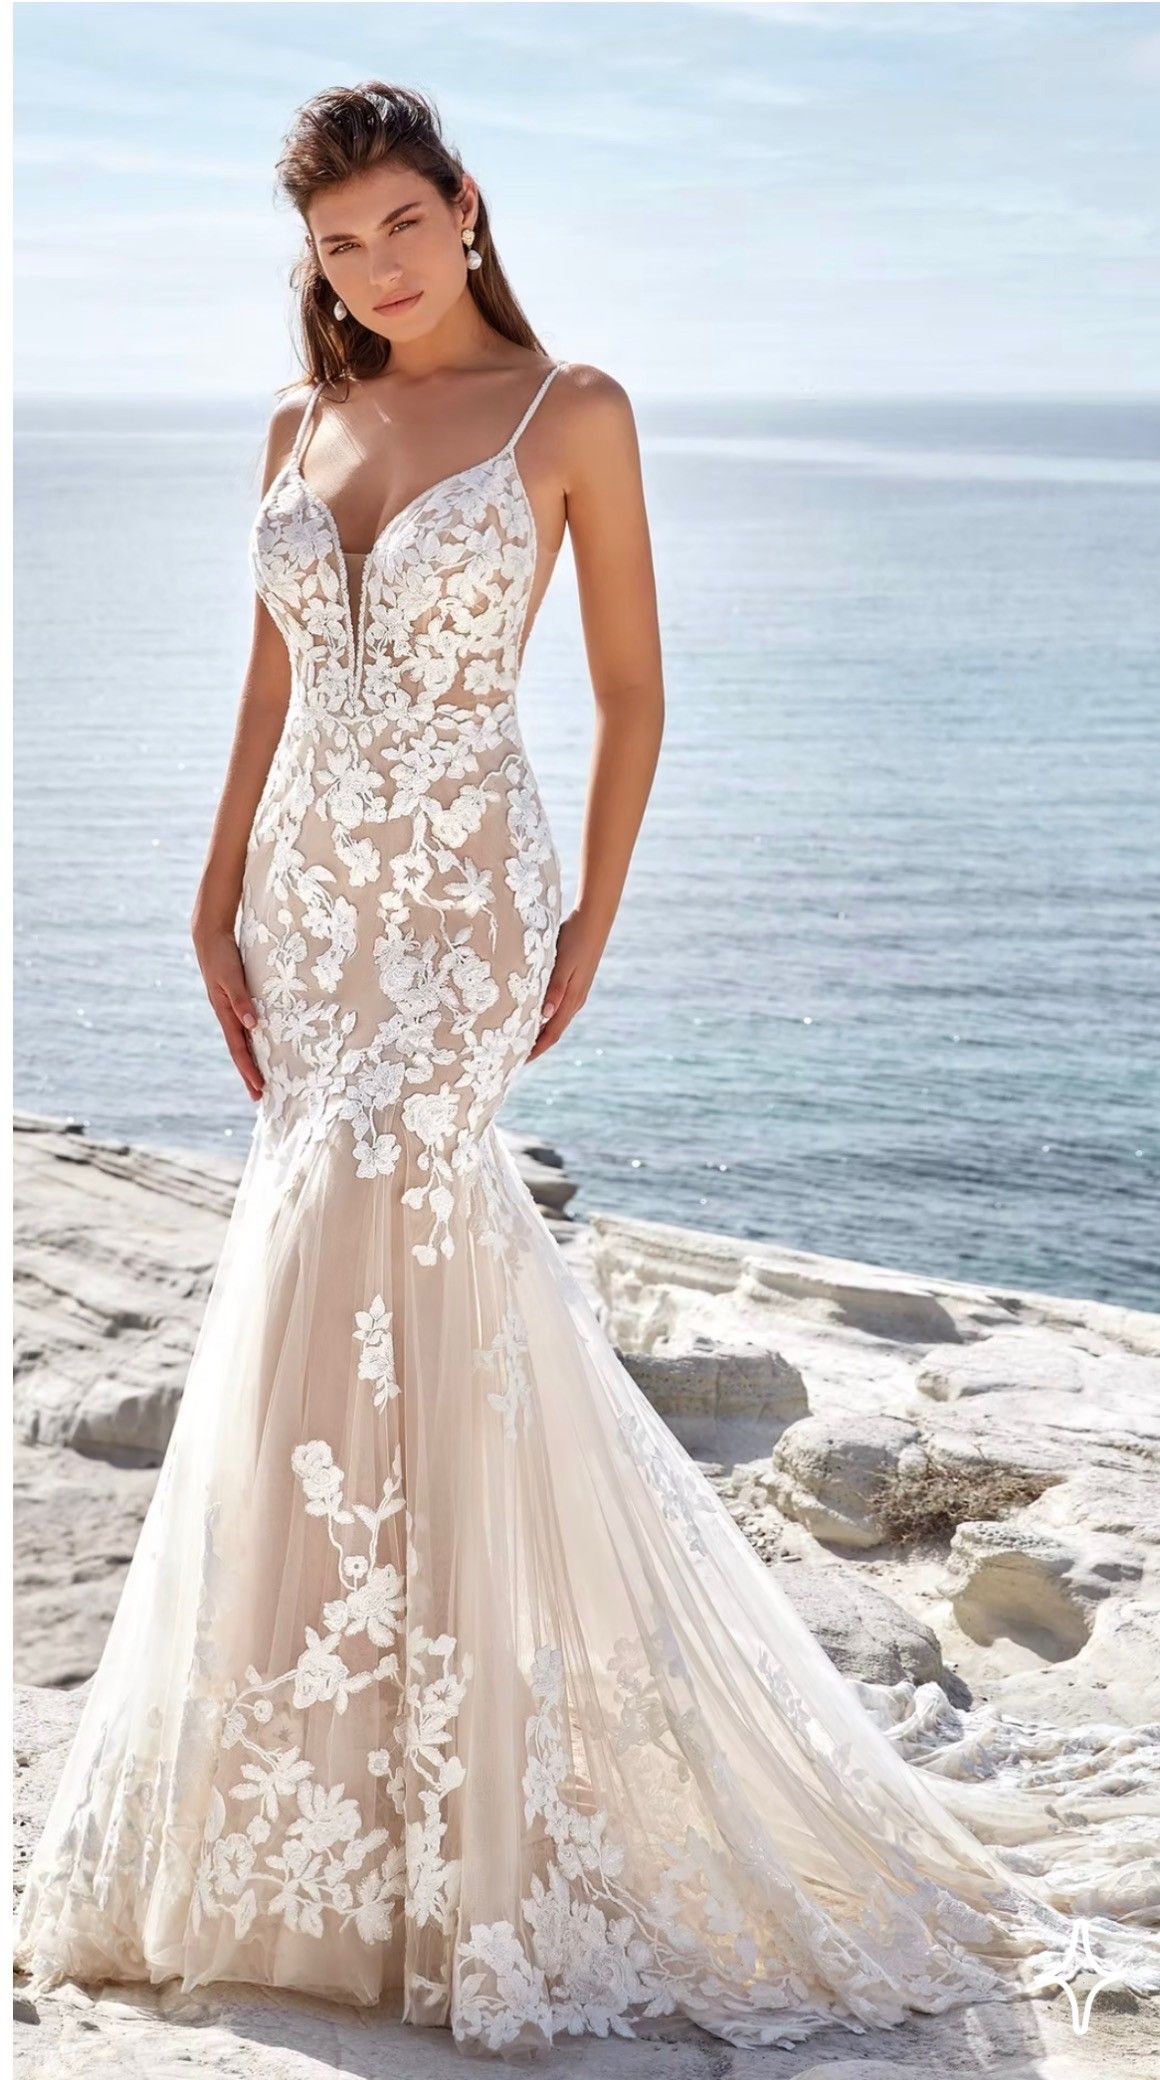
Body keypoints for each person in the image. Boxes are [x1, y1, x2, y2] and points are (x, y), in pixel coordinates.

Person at [14, 81, 1160, 2062]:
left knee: (429, 1266)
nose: (371, 269)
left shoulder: (572, 414)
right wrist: (207, 898)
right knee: (302, 1290)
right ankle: (305, 1824)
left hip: (462, 911)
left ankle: (475, 1827)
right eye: (335, 244)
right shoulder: (300, 424)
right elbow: (269, 677)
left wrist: (588, 923)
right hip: (308, 912)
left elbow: (631, 688)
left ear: (465, 210)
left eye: (398, 224)